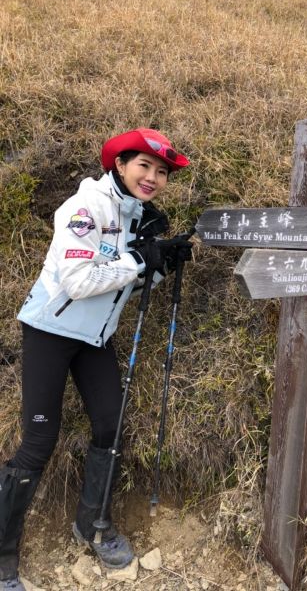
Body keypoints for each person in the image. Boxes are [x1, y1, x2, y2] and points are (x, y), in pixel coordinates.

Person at [0, 128, 192, 590]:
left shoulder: (138, 217)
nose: (152, 177)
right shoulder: (85, 208)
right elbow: (79, 282)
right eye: (143, 166)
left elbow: (126, 281)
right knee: (39, 442)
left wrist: (160, 265)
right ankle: (3, 557)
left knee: (110, 423)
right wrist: (141, 261)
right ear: (120, 165)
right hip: (50, 329)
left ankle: (93, 525)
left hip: (94, 338)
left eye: (162, 172)